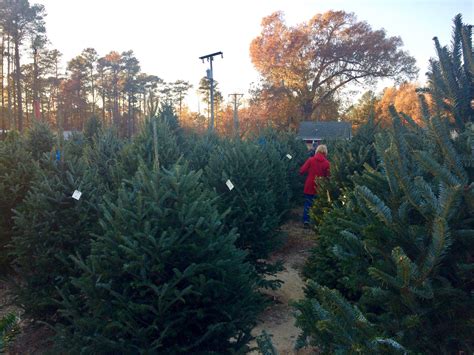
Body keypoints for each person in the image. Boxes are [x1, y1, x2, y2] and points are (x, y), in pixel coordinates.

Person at [299, 144, 330, 227]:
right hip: (320, 186)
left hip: (309, 185)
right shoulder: (327, 163)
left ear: (317, 151)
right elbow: (328, 176)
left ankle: (306, 221)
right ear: (325, 152)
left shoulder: (310, 160)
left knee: (308, 203)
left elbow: (302, 171)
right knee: (319, 204)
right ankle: (317, 222)